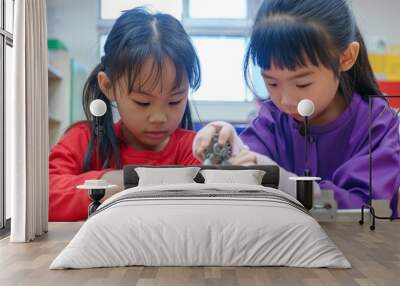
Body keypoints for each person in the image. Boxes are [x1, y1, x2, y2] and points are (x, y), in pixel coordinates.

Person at [193, 0, 400, 216]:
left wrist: (281, 180)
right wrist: (225, 144)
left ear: (346, 58)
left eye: (302, 84)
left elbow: (363, 210)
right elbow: (249, 157)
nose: (286, 100)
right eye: (272, 83)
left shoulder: (377, 122)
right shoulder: (272, 118)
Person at [49, 7, 201, 221]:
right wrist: (112, 182)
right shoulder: (83, 141)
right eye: (143, 102)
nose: (159, 117)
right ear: (108, 86)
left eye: (175, 100)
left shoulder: (192, 150)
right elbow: (40, 195)